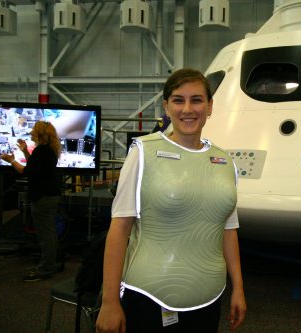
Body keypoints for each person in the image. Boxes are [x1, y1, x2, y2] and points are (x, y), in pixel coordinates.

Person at [96, 68, 247, 333]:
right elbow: (119, 230)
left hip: (209, 297)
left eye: (197, 100)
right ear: (166, 106)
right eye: (178, 100)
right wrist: (109, 302)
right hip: (149, 297)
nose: (187, 109)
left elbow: (228, 229)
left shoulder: (225, 161)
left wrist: (239, 289)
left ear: (210, 106)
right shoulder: (143, 152)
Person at [0, 121, 62, 282]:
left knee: (45, 234)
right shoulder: (48, 150)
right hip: (49, 196)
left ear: (40, 133)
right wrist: (25, 151)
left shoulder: (42, 151)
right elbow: (34, 167)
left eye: (34, 130)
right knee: (49, 232)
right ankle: (50, 264)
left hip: (43, 197)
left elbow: (26, 171)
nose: (31, 132)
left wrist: (11, 161)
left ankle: (46, 268)